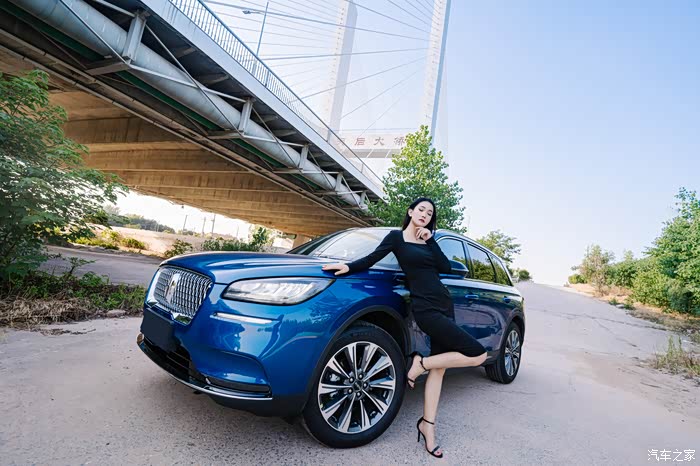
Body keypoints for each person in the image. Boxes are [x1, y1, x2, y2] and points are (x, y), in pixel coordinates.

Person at [322, 197, 488, 459]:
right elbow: (372, 258)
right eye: (421, 209)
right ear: (411, 212)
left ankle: (428, 426)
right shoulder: (396, 238)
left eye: (429, 213)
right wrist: (348, 266)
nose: (425, 214)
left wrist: (431, 240)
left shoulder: (429, 241)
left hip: (444, 305)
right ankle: (420, 364)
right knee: (478, 354)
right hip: (425, 309)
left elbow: (445, 267)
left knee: (440, 369)